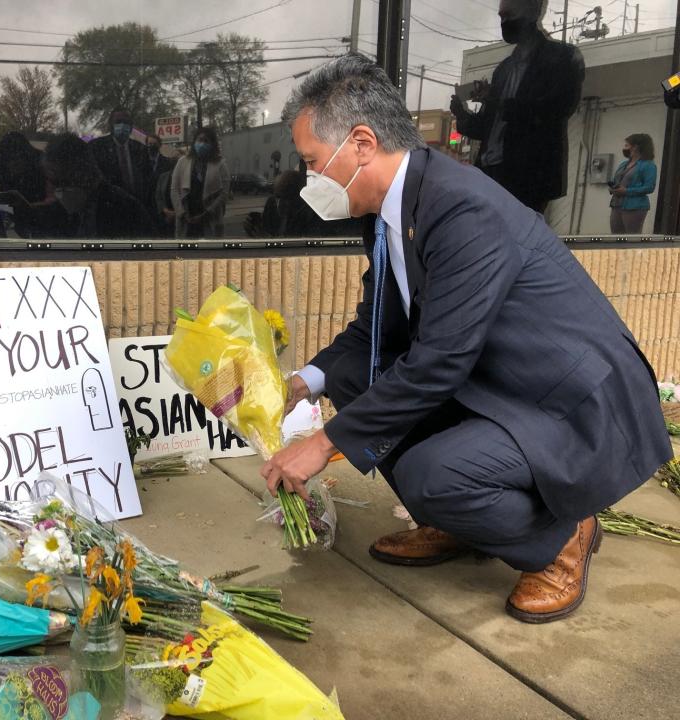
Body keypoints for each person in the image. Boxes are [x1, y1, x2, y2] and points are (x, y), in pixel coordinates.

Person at [263, 55, 670, 624]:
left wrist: (322, 443)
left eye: (311, 162)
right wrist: (301, 382)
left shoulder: (461, 208)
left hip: (565, 402)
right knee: (356, 374)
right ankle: (458, 523)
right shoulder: (386, 212)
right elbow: (376, 327)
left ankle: (562, 534)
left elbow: (440, 362)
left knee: (437, 476)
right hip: (497, 381)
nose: (309, 179)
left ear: (360, 143)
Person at [449, 0, 584, 214]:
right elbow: (486, 128)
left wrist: (498, 101)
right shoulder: (503, 70)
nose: (504, 22)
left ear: (533, 12)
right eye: (501, 17)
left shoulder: (562, 58)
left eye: (509, 15)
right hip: (489, 172)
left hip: (528, 176)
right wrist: (461, 113)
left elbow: (555, 110)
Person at [43, 134, 155, 239]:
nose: (56, 190)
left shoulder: (126, 211)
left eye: (60, 181)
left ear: (83, 172)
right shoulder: (60, 215)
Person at [171, 127, 231, 239]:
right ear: (194, 142)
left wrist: (206, 214)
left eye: (206, 141)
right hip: (186, 218)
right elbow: (174, 189)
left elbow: (224, 194)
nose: (202, 144)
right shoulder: (182, 162)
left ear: (213, 144)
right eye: (199, 140)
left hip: (210, 218)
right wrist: (182, 213)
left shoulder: (220, 164)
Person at [89, 108, 152, 208]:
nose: (122, 125)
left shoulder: (140, 149)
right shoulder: (97, 147)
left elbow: (147, 178)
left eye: (126, 122)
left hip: (137, 206)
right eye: (118, 122)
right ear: (110, 125)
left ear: (131, 126)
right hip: (108, 207)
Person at [608, 134, 658, 235]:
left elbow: (649, 187)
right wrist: (613, 188)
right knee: (615, 237)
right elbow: (617, 180)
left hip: (635, 206)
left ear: (636, 147)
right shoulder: (624, 164)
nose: (624, 148)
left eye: (627, 145)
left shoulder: (649, 165)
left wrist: (626, 191)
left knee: (632, 238)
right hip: (617, 204)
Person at [145, 134, 175, 233]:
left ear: (160, 145)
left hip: (164, 209)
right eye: (149, 144)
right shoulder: (141, 162)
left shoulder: (167, 163)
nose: (152, 146)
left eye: (155, 144)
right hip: (146, 207)